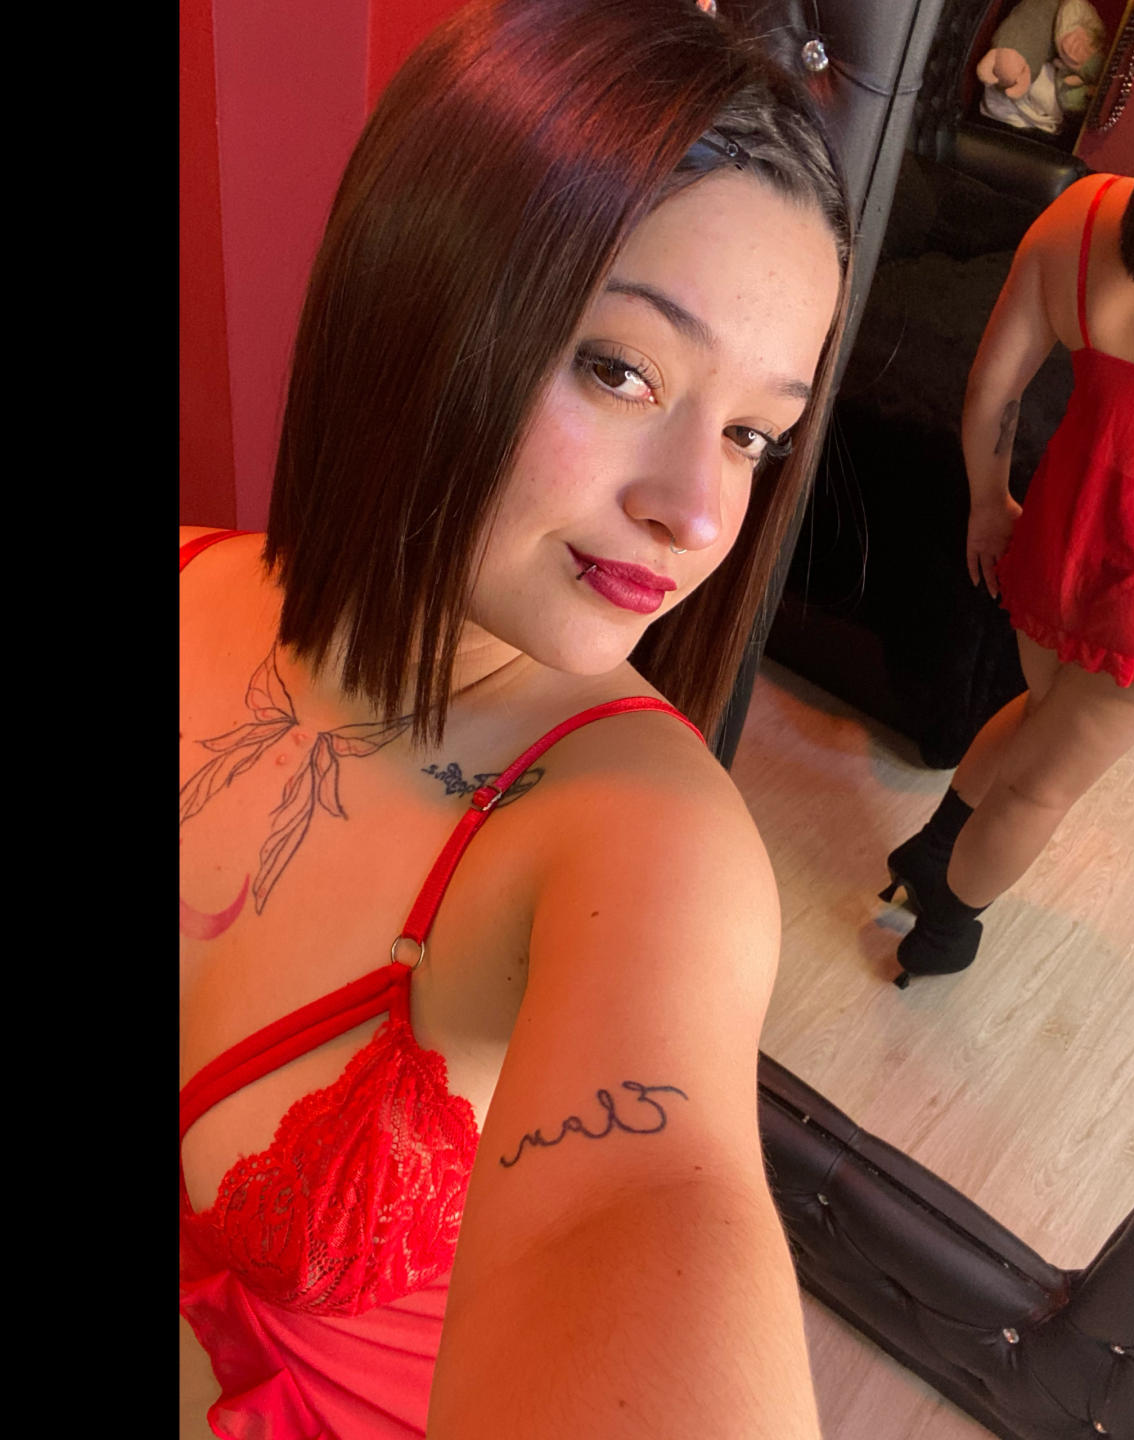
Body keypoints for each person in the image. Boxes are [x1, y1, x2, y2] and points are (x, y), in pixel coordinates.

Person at [179, 2, 851, 1435]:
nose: (700, 510)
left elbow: (643, 1202)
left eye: (754, 434)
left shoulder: (643, 850)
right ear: (417, 294)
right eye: (622, 369)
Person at [879, 0, 1134, 987]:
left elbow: (991, 391)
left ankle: (932, 848)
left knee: (1044, 715)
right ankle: (944, 931)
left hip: (1057, 540)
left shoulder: (1080, 217)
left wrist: (986, 503)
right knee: (1044, 788)